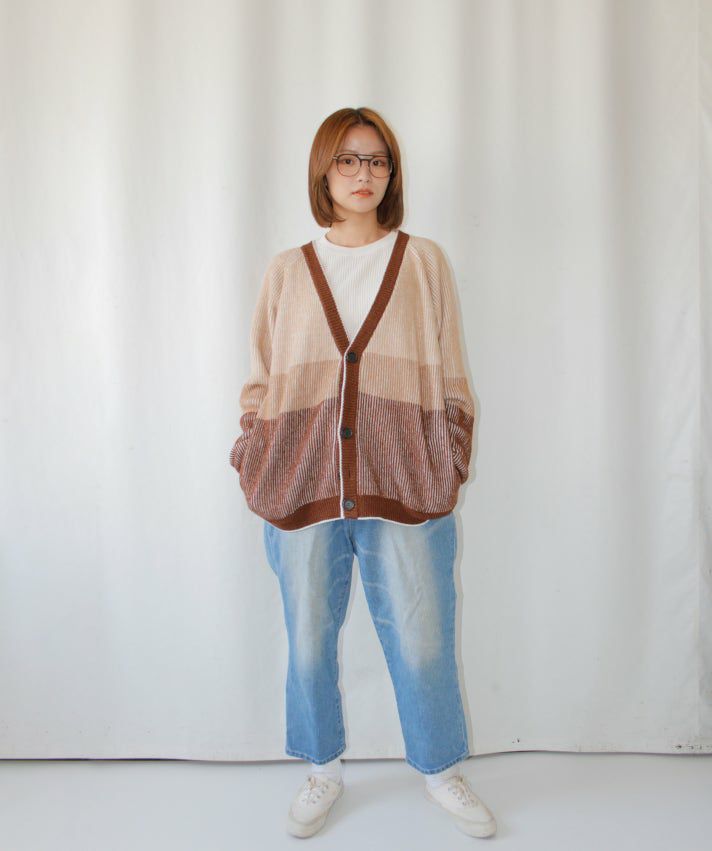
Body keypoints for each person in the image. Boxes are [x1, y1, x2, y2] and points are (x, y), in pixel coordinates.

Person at [230, 107, 497, 839]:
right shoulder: (287, 270)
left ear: (392, 173)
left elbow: (451, 373)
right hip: (302, 483)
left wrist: (449, 453)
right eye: (347, 159)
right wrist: (254, 449)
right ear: (323, 171)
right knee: (308, 638)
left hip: (405, 483)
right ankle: (323, 768)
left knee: (424, 637)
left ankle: (439, 769)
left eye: (377, 160)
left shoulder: (422, 261)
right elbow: (260, 378)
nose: (363, 173)